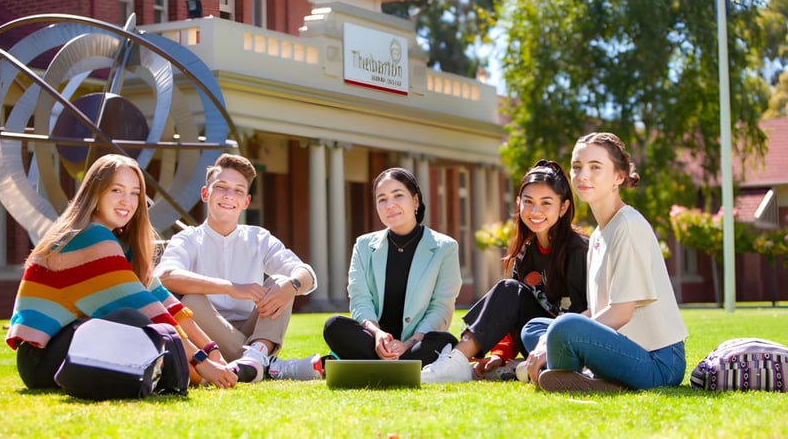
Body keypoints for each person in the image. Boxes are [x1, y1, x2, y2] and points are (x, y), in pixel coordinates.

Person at [5, 154, 238, 390]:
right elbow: (145, 308)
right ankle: (183, 374)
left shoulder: (119, 243)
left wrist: (212, 352)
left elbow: (164, 301)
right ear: (96, 193)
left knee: (141, 326)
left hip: (70, 349)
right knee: (132, 319)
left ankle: (180, 373)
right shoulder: (89, 237)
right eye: (116, 190)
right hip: (44, 361)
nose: (127, 201)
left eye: (135, 193)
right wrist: (200, 361)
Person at [522, 132, 688, 392]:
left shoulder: (628, 226)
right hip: (622, 349)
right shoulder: (599, 234)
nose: (583, 175)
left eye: (595, 167)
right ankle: (592, 379)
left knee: (562, 328)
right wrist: (548, 337)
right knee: (536, 328)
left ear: (618, 177)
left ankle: (570, 373)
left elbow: (620, 313)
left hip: (658, 362)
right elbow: (598, 310)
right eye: (577, 167)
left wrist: (560, 334)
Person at [155, 153, 322, 381]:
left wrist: (291, 286)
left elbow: (307, 275)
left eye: (238, 190)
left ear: (246, 201)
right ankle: (266, 364)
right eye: (221, 187)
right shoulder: (188, 238)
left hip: (257, 331)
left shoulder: (258, 237)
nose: (229, 196)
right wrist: (230, 287)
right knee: (191, 300)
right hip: (207, 336)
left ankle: (257, 357)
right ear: (205, 194)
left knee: (283, 282)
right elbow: (165, 276)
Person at [421, 160, 588, 383]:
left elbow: (595, 311)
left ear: (564, 207)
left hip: (576, 341)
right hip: (534, 339)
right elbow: (512, 310)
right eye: (528, 202)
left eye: (546, 203)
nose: (535, 211)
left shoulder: (580, 250)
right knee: (510, 289)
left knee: (512, 291)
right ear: (518, 203)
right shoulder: (525, 254)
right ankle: (457, 361)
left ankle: (530, 367)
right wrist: (500, 354)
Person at [323, 167, 461, 365]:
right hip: (373, 341)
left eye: (398, 195)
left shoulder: (445, 247)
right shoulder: (363, 245)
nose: (390, 205)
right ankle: (399, 365)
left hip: (417, 343)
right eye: (382, 199)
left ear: (415, 201)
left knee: (444, 341)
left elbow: (441, 307)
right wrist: (378, 335)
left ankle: (379, 365)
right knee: (334, 325)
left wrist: (407, 344)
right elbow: (360, 300)